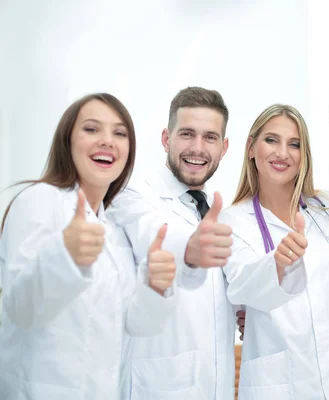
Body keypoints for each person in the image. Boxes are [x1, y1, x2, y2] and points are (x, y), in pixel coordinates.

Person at [0, 93, 177, 400]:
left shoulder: (112, 229)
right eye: (92, 129)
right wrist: (63, 257)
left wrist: (156, 287)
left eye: (119, 133)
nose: (107, 141)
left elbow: (135, 325)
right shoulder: (39, 201)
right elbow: (19, 308)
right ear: (67, 141)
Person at [219, 103, 329, 399]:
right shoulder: (232, 221)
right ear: (251, 148)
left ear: (304, 156)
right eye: (271, 140)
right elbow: (240, 286)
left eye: (294, 144)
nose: (283, 153)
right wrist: (278, 262)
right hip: (281, 386)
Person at [108, 87, 237, 399]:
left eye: (210, 137)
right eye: (187, 134)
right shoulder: (132, 194)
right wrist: (190, 250)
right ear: (167, 139)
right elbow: (152, 234)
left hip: (216, 384)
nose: (197, 148)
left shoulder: (219, 209)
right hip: (157, 386)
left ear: (224, 147)